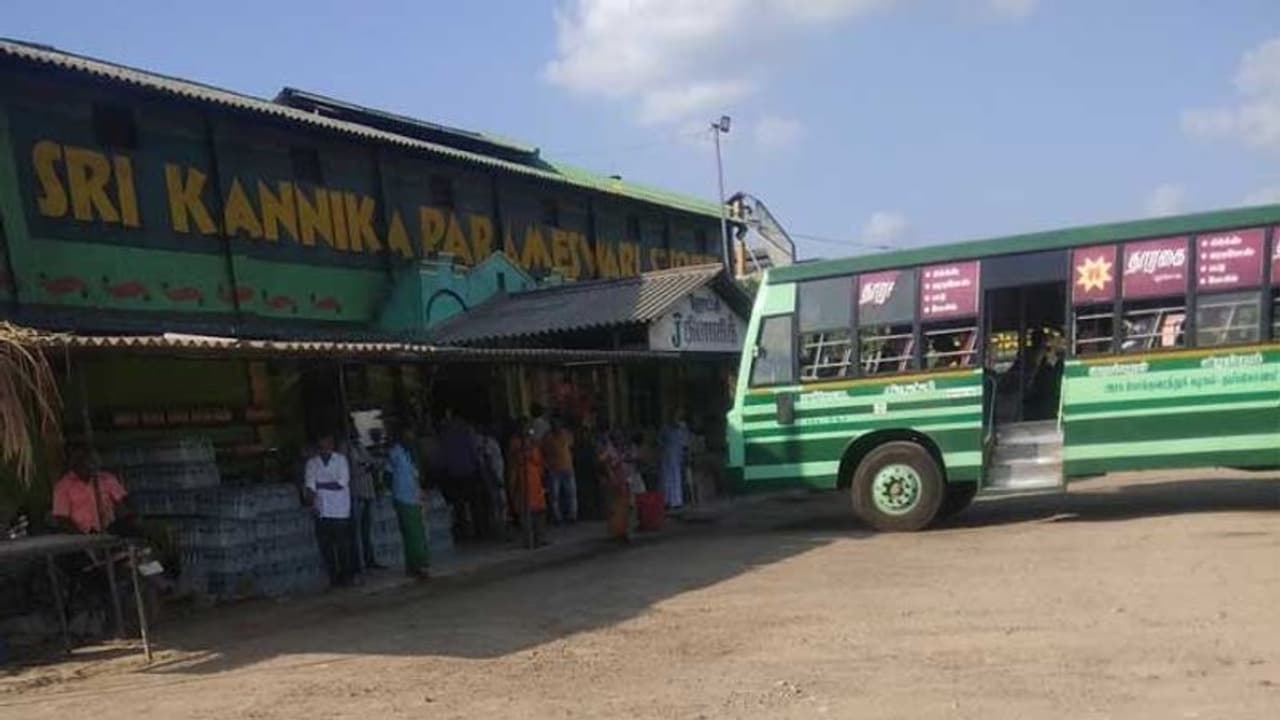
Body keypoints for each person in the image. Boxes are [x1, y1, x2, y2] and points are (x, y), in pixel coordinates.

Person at [304, 433, 356, 588]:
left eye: (326, 444)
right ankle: (333, 578)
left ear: (331, 445)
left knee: (342, 545)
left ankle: (346, 576)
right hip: (321, 509)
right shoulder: (312, 463)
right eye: (321, 445)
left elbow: (341, 483)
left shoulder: (340, 460)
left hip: (340, 509)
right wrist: (312, 502)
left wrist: (319, 485)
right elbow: (310, 486)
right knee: (326, 547)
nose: (324, 448)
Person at [51, 448, 131, 535]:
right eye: (87, 464)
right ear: (76, 465)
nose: (92, 468)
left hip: (109, 531)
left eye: (94, 464)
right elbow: (62, 518)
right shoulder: (63, 486)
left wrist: (126, 519)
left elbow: (123, 503)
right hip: (80, 537)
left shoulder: (106, 479)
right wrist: (83, 536)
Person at [387, 425, 429, 579]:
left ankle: (414, 565)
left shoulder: (409, 452)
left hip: (412, 495)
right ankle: (418, 565)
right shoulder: (397, 453)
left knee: (415, 532)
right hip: (404, 497)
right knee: (414, 533)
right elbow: (389, 474)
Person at [440, 413, 489, 539]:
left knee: (459, 505)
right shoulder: (466, 431)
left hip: (453, 473)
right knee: (475, 503)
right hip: (469, 471)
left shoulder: (445, 434)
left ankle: (464, 530)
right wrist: (479, 467)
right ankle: (480, 530)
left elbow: (444, 456)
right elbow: (473, 451)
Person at [341, 432, 385, 573]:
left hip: (367, 491)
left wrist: (371, 465)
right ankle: (358, 563)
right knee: (356, 530)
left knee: (366, 530)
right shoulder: (345, 447)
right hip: (356, 493)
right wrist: (366, 466)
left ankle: (369, 559)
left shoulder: (359, 446)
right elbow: (350, 469)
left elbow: (371, 461)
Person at [508, 420, 548, 548]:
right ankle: (528, 540)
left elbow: (539, 460)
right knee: (526, 514)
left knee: (539, 512)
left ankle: (540, 538)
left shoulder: (533, 444)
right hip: (523, 484)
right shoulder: (516, 444)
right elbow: (515, 460)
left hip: (535, 482)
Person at [595, 430, 632, 543]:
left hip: (622, 480)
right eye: (617, 438)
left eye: (620, 438)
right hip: (613, 481)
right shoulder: (609, 450)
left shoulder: (621, 450)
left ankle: (623, 531)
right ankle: (616, 533)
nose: (619, 441)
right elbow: (601, 461)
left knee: (625, 508)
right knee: (615, 509)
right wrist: (609, 468)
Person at [543, 416, 577, 524]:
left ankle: (572, 516)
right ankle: (557, 518)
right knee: (554, 496)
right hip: (554, 469)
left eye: (558, 425)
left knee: (570, 494)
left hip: (567, 468)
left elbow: (571, 445)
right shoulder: (547, 437)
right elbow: (542, 451)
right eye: (554, 425)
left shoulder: (566, 434)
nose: (557, 427)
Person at [476, 424, 508, 538]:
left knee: (495, 504)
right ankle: (500, 530)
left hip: (490, 477)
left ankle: (498, 529)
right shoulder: (488, 442)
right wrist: (496, 478)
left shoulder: (479, 442)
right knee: (499, 504)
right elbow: (488, 461)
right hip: (493, 478)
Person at [660, 414, 691, 510]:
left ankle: (676, 501)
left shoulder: (682, 428)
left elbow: (685, 443)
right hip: (667, 455)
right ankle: (666, 501)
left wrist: (686, 455)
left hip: (677, 455)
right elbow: (660, 440)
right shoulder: (665, 428)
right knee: (666, 479)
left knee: (676, 478)